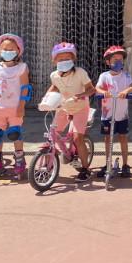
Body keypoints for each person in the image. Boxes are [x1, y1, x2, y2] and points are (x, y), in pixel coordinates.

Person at [0, 34, 32, 180]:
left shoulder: (22, 68)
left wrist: (21, 106)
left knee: (15, 134)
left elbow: (25, 88)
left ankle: (19, 161)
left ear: (18, 51)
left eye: (11, 49)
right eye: (4, 49)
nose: (7, 52)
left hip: (15, 109)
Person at [46, 41, 96, 182]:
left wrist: (80, 95)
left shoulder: (80, 73)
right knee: (52, 134)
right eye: (60, 59)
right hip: (64, 107)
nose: (64, 61)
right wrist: (46, 99)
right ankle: (49, 164)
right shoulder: (54, 75)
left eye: (67, 58)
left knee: (77, 138)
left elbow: (91, 89)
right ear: (54, 60)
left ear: (73, 59)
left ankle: (85, 169)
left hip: (80, 108)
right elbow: (54, 87)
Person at [95, 45, 132, 179]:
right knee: (108, 138)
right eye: (115, 60)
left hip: (121, 114)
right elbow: (97, 88)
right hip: (107, 115)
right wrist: (103, 92)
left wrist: (126, 91)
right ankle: (108, 163)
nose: (118, 62)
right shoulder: (104, 76)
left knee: (123, 137)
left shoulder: (126, 75)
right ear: (108, 62)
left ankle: (125, 164)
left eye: (120, 59)